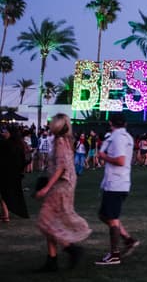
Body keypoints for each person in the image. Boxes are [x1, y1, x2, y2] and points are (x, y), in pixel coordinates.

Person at [34, 113, 91, 272]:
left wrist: (46, 187)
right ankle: (52, 260)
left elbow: (61, 168)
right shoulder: (65, 140)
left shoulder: (60, 141)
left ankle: (71, 250)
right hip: (66, 184)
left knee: (45, 220)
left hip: (60, 185)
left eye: (52, 122)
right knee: (52, 221)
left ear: (57, 125)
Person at [96, 113, 139, 266]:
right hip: (119, 182)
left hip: (115, 182)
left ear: (110, 122)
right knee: (103, 215)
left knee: (112, 218)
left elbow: (120, 160)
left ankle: (114, 254)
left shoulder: (117, 137)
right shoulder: (125, 137)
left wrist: (103, 156)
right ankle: (128, 239)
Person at [0, 125, 29, 222]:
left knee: (4, 194)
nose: (4, 133)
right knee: (5, 194)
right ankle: (5, 214)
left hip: (6, 174)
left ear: (10, 133)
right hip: (13, 174)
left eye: (6, 131)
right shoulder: (18, 144)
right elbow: (23, 160)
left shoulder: (7, 144)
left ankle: (5, 215)